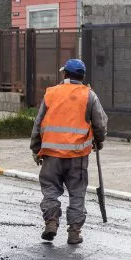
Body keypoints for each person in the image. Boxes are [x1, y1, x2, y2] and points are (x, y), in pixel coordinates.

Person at [30, 58, 108, 245]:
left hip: (51, 154)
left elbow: (38, 123)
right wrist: (99, 141)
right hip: (78, 156)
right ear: (82, 76)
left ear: (65, 74)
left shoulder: (51, 93)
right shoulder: (89, 95)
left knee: (50, 191)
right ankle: (74, 232)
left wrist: (35, 148)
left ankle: (51, 222)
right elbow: (100, 123)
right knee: (77, 195)